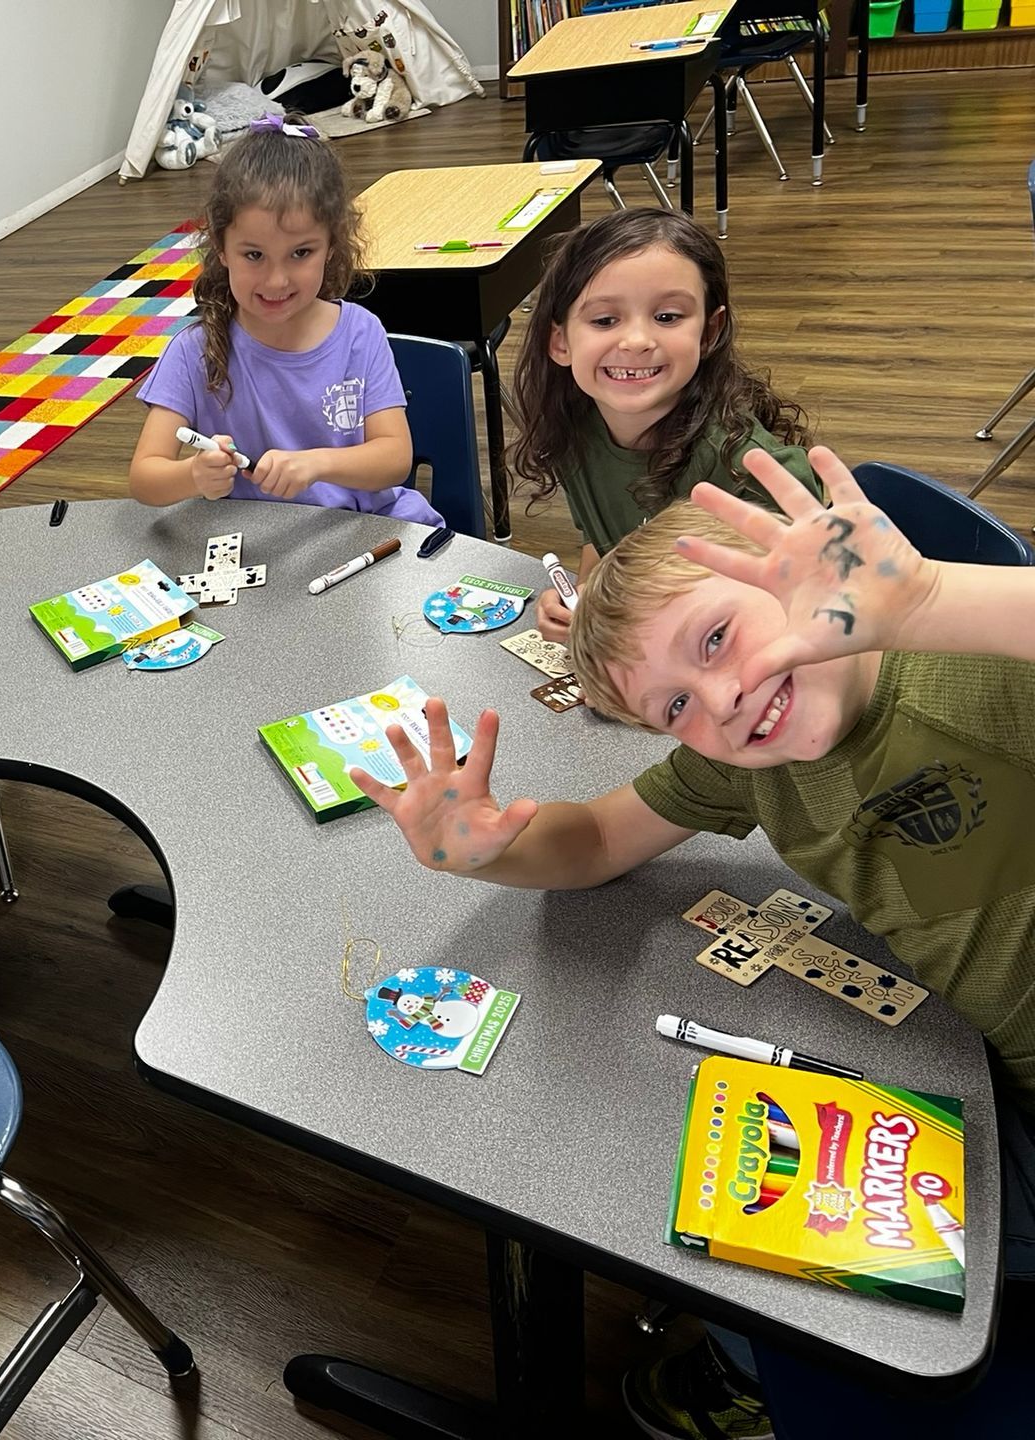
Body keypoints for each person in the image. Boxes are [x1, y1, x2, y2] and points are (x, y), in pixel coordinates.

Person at [353, 449, 1033, 1440]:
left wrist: (931, 599)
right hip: (994, 1083)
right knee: (708, 1198)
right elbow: (594, 839)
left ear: (794, 582)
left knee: (754, 1270)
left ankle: (753, 1373)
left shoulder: (973, 676)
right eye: (673, 706)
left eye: (717, 638)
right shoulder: (746, 762)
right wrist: (479, 853)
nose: (717, 702)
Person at [510, 208, 820, 644]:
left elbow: (800, 617)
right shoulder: (575, 431)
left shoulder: (752, 470)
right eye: (604, 320)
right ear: (559, 341)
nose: (637, 341)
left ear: (709, 332)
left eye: (668, 317)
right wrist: (584, 603)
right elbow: (605, 546)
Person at [128, 116, 439, 528]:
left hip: (367, 532)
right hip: (256, 547)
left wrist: (316, 464)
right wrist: (193, 475)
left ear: (331, 245)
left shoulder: (360, 333)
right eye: (254, 255)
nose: (276, 281)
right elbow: (144, 477)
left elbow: (394, 459)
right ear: (221, 249)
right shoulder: (194, 351)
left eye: (301, 253)